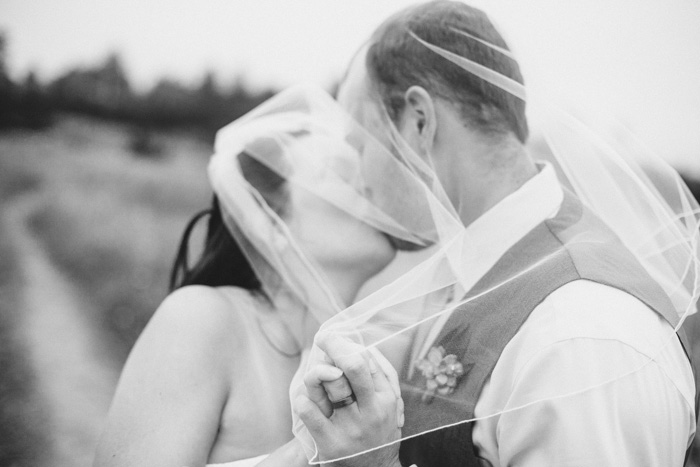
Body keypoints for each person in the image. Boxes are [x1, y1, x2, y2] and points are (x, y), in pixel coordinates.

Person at [293, 2, 699, 466]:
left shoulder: (579, 336)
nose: (359, 179)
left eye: (361, 143)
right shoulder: (478, 270)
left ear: (419, 122)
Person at [93, 86, 437, 467]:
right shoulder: (200, 318)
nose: (372, 196)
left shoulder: (358, 356)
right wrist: (311, 454)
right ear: (267, 221)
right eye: (343, 180)